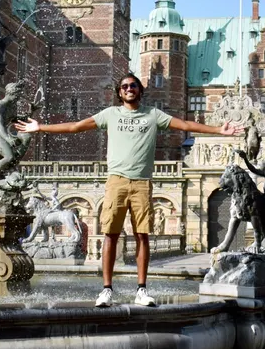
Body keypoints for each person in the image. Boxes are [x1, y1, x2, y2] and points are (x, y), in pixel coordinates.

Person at [16, 73, 242, 307]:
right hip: (116, 181)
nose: (129, 89)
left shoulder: (153, 114)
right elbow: (75, 127)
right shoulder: (110, 114)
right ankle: (106, 290)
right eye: (124, 86)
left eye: (133, 85)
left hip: (142, 183)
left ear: (140, 90)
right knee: (110, 235)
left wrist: (218, 131)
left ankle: (142, 290)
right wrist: (40, 127)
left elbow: (184, 125)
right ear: (119, 92)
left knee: (142, 235)